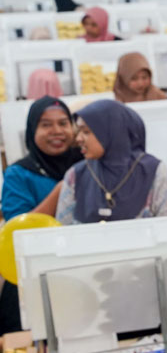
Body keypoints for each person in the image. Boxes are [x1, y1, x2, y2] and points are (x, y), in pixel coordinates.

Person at [0, 97, 81, 336]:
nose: (57, 131)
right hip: (32, 281)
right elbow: (17, 233)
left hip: (80, 271)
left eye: (63, 123)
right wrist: (61, 190)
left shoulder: (87, 163)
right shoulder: (19, 174)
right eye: (46, 125)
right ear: (32, 130)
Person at [56, 100, 167, 224]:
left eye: (86, 132)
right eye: (78, 131)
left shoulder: (154, 171)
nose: (78, 139)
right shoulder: (76, 175)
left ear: (111, 131)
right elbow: (63, 234)